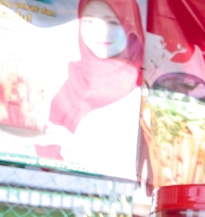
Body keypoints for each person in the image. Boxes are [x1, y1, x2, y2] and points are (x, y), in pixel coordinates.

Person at [35, 0, 144, 175]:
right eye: (89, 21)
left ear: (130, 25)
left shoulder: (144, 92)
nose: (101, 33)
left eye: (113, 22)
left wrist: (72, 147)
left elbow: (131, 172)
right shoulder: (65, 77)